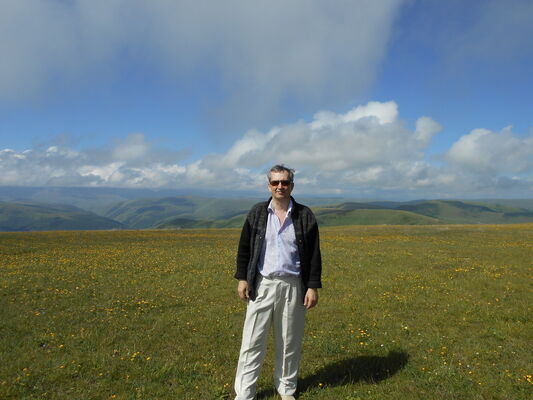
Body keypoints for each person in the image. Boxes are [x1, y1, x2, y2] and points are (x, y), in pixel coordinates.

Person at [233, 164, 322, 400]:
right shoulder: (257, 213)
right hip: (262, 284)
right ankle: (245, 393)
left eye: (284, 182)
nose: (280, 186)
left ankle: (286, 390)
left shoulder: (305, 215)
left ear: (292, 185)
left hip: (293, 285)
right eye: (275, 182)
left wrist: (312, 286)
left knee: (289, 342)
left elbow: (314, 254)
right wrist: (242, 278)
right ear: (269, 185)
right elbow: (244, 248)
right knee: (252, 341)